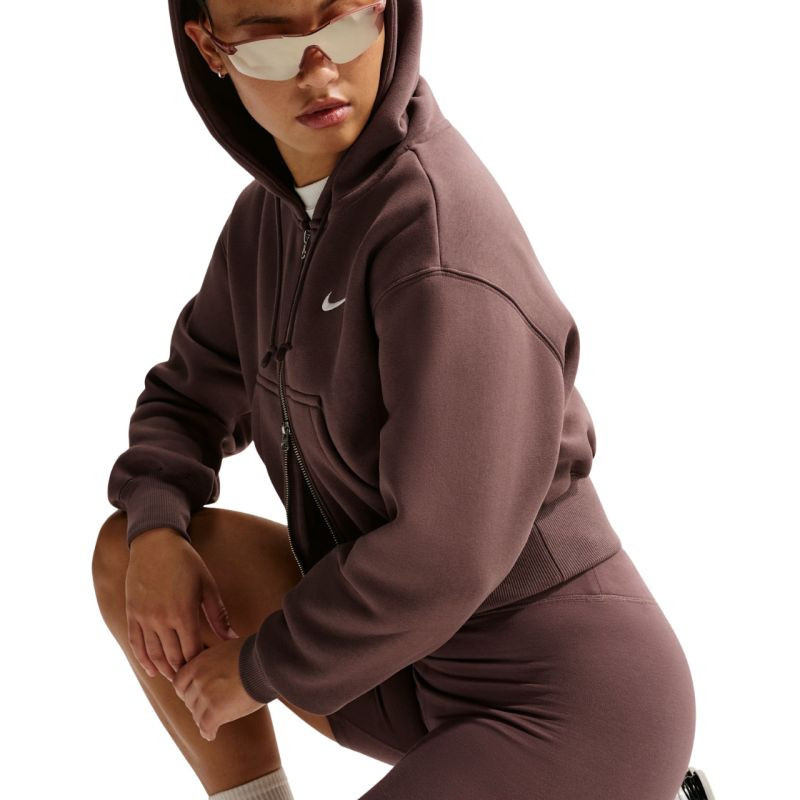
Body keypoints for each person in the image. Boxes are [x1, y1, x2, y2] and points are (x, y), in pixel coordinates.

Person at [92, 2, 707, 799]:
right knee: (131, 553)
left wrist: (258, 668)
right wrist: (155, 527)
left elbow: (445, 554)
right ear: (213, 50)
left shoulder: (440, 237)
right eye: (274, 43)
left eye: (345, 23)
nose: (319, 71)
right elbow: (186, 398)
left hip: (564, 696)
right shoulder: (271, 223)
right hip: (403, 663)